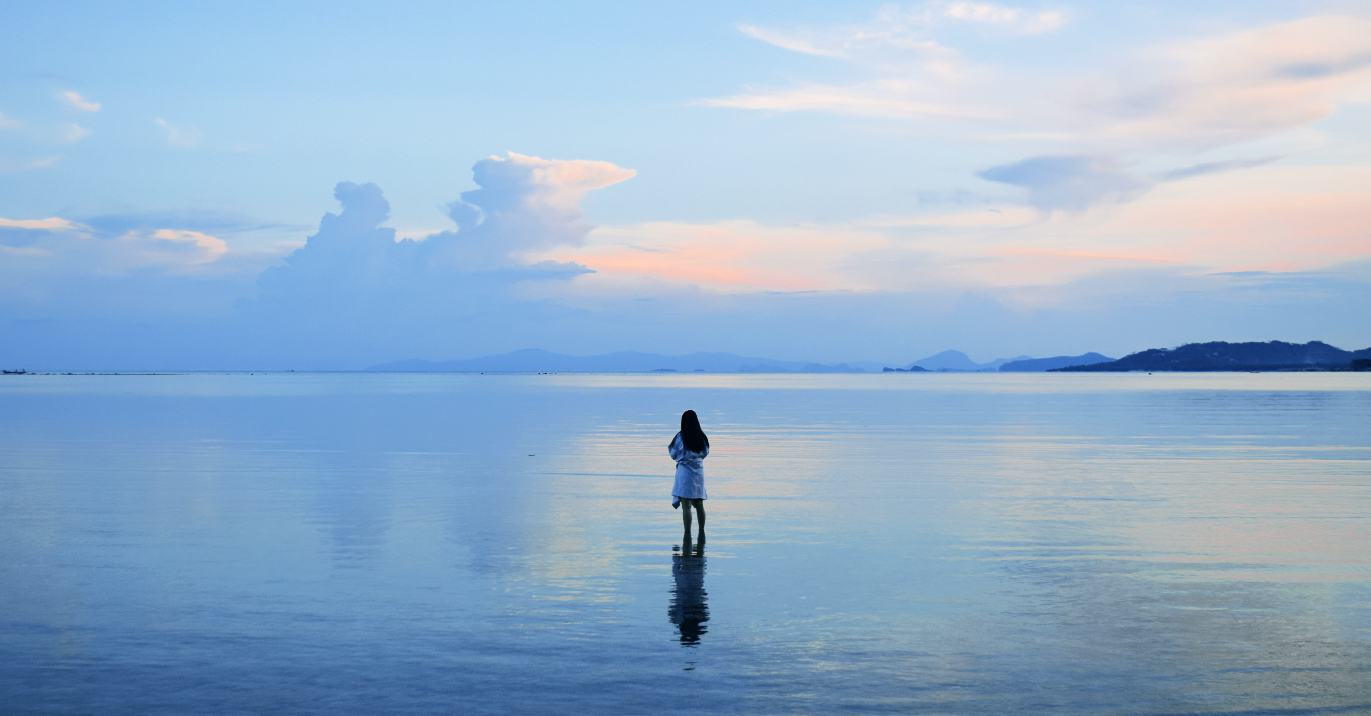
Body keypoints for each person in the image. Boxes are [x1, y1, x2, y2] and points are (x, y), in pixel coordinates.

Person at [669, 410, 709, 542]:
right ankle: (701, 532)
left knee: (686, 505)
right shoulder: (701, 436)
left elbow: (673, 453)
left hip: (685, 472)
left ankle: (687, 534)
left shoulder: (680, 437)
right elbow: (705, 452)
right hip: (698, 471)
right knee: (699, 504)